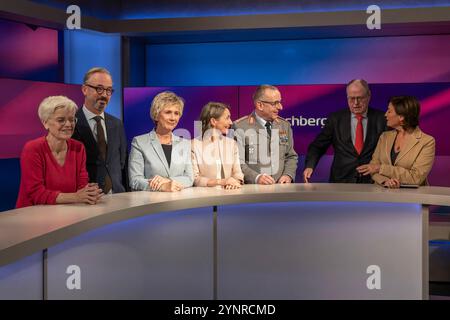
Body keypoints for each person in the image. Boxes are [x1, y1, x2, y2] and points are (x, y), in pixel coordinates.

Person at [16, 96, 103, 208]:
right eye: (61, 120)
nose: (68, 124)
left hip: (66, 212)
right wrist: (76, 197)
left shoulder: (78, 148)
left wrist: (89, 192)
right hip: (32, 214)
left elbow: (82, 185)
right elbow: (36, 193)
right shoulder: (32, 149)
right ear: (45, 123)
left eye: (72, 119)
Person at [303, 79, 387, 183]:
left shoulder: (383, 119)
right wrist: (310, 166)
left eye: (360, 98)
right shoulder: (335, 119)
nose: (356, 103)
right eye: (351, 99)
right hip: (341, 181)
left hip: (372, 181)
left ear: (369, 95)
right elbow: (318, 146)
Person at [356, 96, 435, 188]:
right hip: (384, 195)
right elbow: (372, 167)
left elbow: (416, 177)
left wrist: (381, 168)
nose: (385, 114)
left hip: (412, 198)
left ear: (401, 117)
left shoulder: (427, 142)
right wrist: (385, 182)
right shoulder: (384, 137)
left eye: (389, 111)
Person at [72, 67, 128, 194]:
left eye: (108, 90)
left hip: (118, 197)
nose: (104, 95)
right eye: (99, 89)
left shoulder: (117, 123)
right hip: (87, 198)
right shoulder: (71, 124)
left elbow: (122, 163)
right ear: (84, 89)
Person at [128, 91, 193, 192]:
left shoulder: (184, 144)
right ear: (156, 115)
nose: (173, 118)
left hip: (180, 203)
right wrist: (161, 187)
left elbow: (189, 178)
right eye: (168, 112)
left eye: (176, 113)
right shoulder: (139, 142)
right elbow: (135, 180)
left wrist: (167, 181)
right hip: (152, 203)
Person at [233, 85, 298, 184]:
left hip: (281, 190)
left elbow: (291, 156)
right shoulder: (240, 127)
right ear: (260, 105)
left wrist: (287, 175)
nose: (280, 107)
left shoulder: (284, 125)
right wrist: (256, 177)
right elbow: (237, 162)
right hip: (252, 192)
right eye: (275, 103)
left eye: (280, 102)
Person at [192, 102, 244, 189]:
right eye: (227, 118)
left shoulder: (232, 144)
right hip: (205, 197)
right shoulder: (194, 145)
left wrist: (234, 182)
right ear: (213, 121)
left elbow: (238, 172)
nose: (231, 122)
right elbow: (195, 179)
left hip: (230, 193)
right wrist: (222, 182)